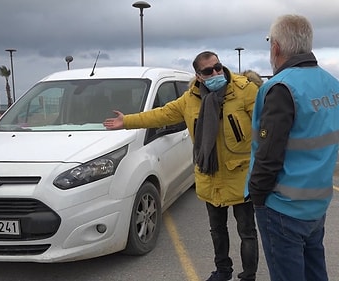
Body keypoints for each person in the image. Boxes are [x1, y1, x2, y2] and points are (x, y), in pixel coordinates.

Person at [104, 51, 259, 281]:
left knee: (247, 232)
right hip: (210, 175)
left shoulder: (245, 91)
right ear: (198, 76)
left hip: (241, 175)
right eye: (208, 71)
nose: (216, 73)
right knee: (217, 231)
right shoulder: (190, 100)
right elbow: (161, 115)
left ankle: (248, 276)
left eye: (218, 67)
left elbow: (263, 129)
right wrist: (126, 121)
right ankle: (223, 271)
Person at [245, 14, 339, 281]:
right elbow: (336, 140)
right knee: (315, 271)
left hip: (283, 207)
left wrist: (257, 195)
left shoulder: (280, 87)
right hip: (317, 203)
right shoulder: (332, 84)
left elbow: (268, 155)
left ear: (275, 47)